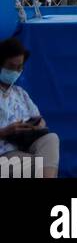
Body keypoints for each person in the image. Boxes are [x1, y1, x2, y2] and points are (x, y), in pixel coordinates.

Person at [0, 37, 60, 178]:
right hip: (3, 155)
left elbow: (40, 120)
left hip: (23, 148)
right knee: (40, 165)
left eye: (19, 67)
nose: (16, 71)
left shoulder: (20, 93)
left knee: (51, 138)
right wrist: (5, 132)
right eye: (11, 67)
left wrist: (34, 126)